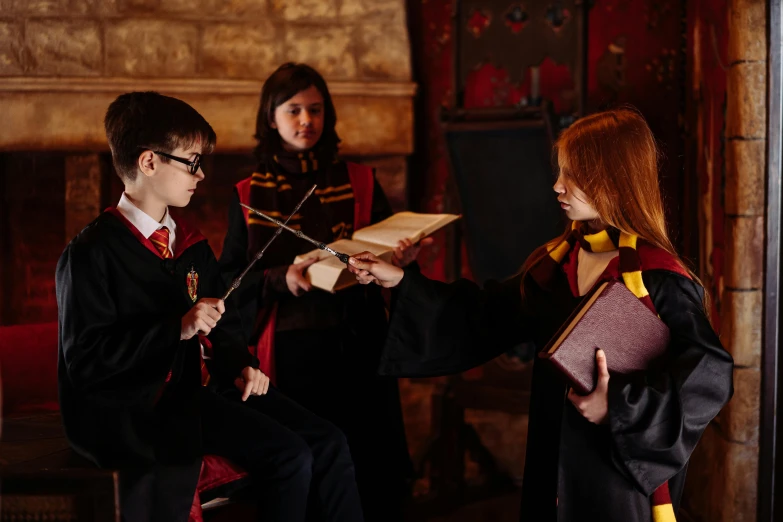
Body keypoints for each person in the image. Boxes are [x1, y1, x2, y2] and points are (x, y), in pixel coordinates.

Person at [347, 108, 734, 522]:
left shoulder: (658, 279)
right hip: (548, 468)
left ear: (615, 178)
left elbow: (708, 376)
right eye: (561, 172)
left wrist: (619, 407)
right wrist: (400, 281)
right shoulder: (555, 265)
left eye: (574, 175)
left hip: (612, 478)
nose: (557, 186)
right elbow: (483, 316)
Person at [56, 91, 364, 522]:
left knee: (330, 441)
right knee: (289, 455)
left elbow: (224, 326)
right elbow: (86, 362)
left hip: (202, 387)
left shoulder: (190, 242)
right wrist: (176, 329)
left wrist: (240, 363)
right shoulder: (91, 254)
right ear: (149, 162)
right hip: (143, 404)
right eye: (191, 161)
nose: (200, 175)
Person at [219, 62, 417, 521]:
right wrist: (279, 277)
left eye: (315, 109)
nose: (306, 120)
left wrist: (400, 260)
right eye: (293, 110)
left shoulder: (361, 181)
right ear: (270, 117)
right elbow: (229, 280)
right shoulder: (248, 193)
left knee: (371, 463)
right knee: (313, 464)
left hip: (360, 340)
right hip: (291, 350)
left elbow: (386, 252)